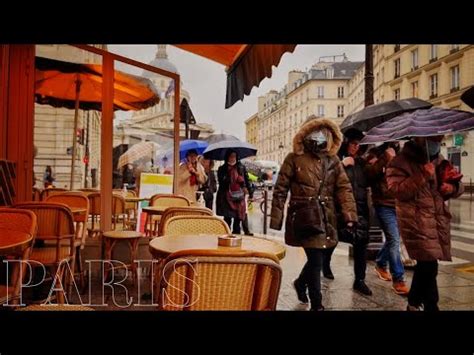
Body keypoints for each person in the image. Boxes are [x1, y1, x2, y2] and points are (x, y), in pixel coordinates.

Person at [270, 116, 357, 311]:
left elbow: (344, 189)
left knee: (318, 258)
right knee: (316, 260)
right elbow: (280, 188)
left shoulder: (333, 160)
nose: (319, 136)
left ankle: (301, 283)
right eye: (314, 131)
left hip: (327, 217)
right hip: (305, 217)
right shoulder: (294, 158)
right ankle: (317, 304)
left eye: (323, 131)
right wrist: (276, 220)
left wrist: (349, 216)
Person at [386, 135, 464, 311]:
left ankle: (413, 303)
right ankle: (431, 306)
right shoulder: (399, 162)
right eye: (432, 138)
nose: (436, 141)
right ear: (418, 138)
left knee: (427, 266)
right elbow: (397, 190)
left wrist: (452, 188)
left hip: (436, 220)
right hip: (415, 220)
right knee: (429, 265)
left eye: (439, 138)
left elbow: (457, 183)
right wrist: (422, 175)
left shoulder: (439, 160)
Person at [322, 129, 373, 296]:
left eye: (359, 144)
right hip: (341, 209)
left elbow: (372, 178)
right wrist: (342, 165)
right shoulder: (336, 160)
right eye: (353, 144)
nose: (356, 147)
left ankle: (360, 280)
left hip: (360, 210)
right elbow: (326, 180)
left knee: (361, 245)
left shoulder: (363, 163)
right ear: (346, 144)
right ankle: (325, 263)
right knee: (334, 240)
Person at [365, 142, 409, 295]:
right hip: (383, 204)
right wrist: (385, 158)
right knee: (394, 240)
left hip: (400, 203)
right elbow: (369, 174)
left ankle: (380, 263)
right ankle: (399, 278)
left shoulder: (403, 153)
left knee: (393, 239)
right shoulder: (374, 154)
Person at [216, 149, 252, 234]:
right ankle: (227, 235)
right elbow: (221, 182)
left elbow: (247, 180)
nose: (232, 158)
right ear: (227, 157)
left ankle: (236, 235)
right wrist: (228, 176)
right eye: (231, 156)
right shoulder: (222, 168)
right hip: (227, 197)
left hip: (239, 197)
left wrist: (250, 191)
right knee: (227, 218)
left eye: (234, 156)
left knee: (237, 218)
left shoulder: (241, 167)